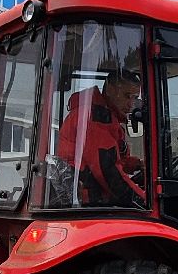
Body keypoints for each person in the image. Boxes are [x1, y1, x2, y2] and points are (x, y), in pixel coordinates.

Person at [56, 70, 146, 207]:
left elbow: (113, 160)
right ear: (110, 90)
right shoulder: (96, 118)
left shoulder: (107, 118)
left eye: (134, 98)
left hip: (90, 197)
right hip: (87, 201)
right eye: (127, 96)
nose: (131, 104)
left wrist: (138, 165)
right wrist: (143, 201)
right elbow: (108, 172)